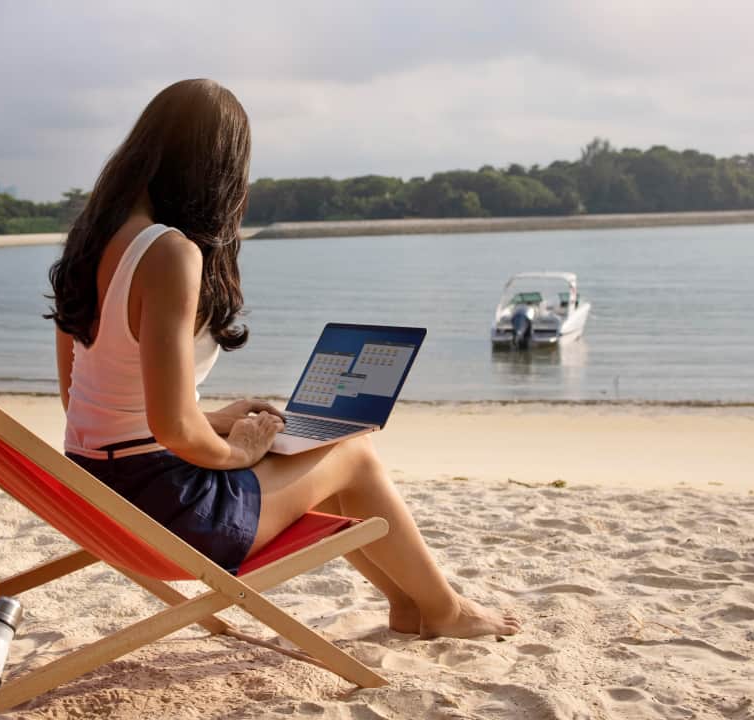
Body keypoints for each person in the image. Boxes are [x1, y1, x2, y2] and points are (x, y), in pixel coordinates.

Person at [46, 79, 520, 639]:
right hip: (170, 514)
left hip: (100, 496)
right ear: (216, 167)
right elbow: (171, 427)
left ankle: (409, 604)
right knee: (354, 452)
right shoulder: (169, 252)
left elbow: (85, 397)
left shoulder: (91, 240)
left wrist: (221, 420)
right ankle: (446, 609)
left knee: (321, 450)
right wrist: (233, 451)